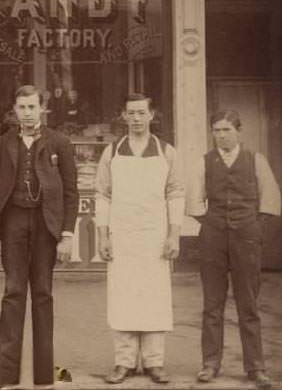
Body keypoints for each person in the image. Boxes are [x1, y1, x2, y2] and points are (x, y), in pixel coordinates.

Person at [0, 84, 78, 390]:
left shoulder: (59, 142)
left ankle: (44, 378)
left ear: (42, 109)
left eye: (32, 107)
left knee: (43, 296)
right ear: (14, 110)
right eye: (21, 108)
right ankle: (5, 378)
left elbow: (71, 192)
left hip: (46, 224)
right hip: (13, 222)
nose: (26, 113)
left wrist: (66, 234)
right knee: (12, 294)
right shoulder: (3, 143)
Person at [186, 110, 281, 390]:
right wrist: (214, 224)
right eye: (216, 130)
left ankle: (256, 367)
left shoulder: (256, 160)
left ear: (239, 131)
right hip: (213, 238)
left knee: (248, 304)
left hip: (247, 238)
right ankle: (210, 364)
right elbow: (193, 202)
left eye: (226, 129)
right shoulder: (204, 162)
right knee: (212, 304)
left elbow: (271, 201)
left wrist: (251, 227)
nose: (221, 135)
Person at [95, 93, 184, 384]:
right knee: (123, 296)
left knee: (154, 296)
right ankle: (123, 362)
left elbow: (175, 193)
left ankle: (154, 362)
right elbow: (103, 195)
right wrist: (103, 235)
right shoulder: (112, 152)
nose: (136, 119)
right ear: (123, 116)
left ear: (151, 115)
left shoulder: (166, 152)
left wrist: (173, 234)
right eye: (131, 113)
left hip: (155, 237)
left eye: (141, 113)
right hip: (122, 236)